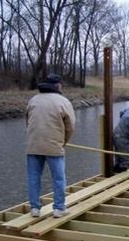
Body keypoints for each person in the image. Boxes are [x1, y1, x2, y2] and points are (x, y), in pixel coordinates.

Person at [26, 74, 75, 218]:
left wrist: (32, 139)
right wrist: (63, 142)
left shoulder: (33, 100)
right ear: (58, 85)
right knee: (58, 178)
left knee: (33, 177)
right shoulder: (63, 101)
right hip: (54, 146)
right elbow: (70, 127)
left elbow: (27, 121)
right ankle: (59, 208)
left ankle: (34, 208)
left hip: (33, 145)